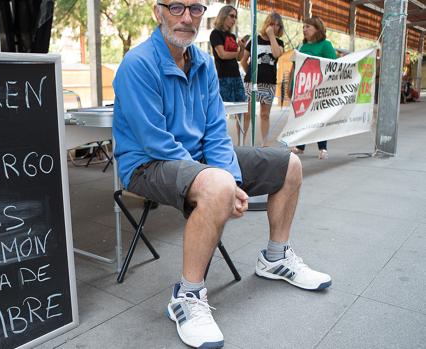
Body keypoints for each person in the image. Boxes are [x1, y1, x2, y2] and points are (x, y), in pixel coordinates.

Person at [112, 2, 332, 348]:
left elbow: (216, 131)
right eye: (176, 8)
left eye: (195, 9)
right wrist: (220, 182)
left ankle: (275, 258)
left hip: (196, 160)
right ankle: (186, 296)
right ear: (158, 13)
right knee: (217, 185)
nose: (186, 17)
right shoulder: (137, 64)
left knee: (289, 164)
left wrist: (231, 178)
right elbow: (155, 141)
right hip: (146, 164)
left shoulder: (202, 64)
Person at [291, 17, 337, 159]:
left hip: (319, 89)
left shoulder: (326, 45)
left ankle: (323, 148)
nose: (304, 29)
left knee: (319, 118)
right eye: (303, 27)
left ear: (317, 29)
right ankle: (300, 146)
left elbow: (333, 66)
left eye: (308, 27)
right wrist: (291, 86)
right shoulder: (301, 46)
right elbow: (295, 67)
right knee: (301, 117)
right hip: (302, 89)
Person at [240, 12, 285, 146]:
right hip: (251, 82)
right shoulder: (254, 39)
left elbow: (277, 54)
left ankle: (264, 144)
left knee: (265, 114)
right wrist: (251, 74)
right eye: (271, 24)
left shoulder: (279, 42)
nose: (274, 27)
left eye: (277, 25)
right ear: (266, 23)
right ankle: (241, 142)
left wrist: (272, 36)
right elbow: (243, 61)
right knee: (247, 113)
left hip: (269, 82)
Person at [210, 5, 247, 103]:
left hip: (236, 76)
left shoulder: (232, 36)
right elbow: (222, 54)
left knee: (241, 106)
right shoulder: (215, 33)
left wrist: (242, 47)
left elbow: (239, 58)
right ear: (223, 15)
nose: (234, 19)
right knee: (226, 109)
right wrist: (238, 52)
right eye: (232, 16)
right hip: (223, 78)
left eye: (235, 17)